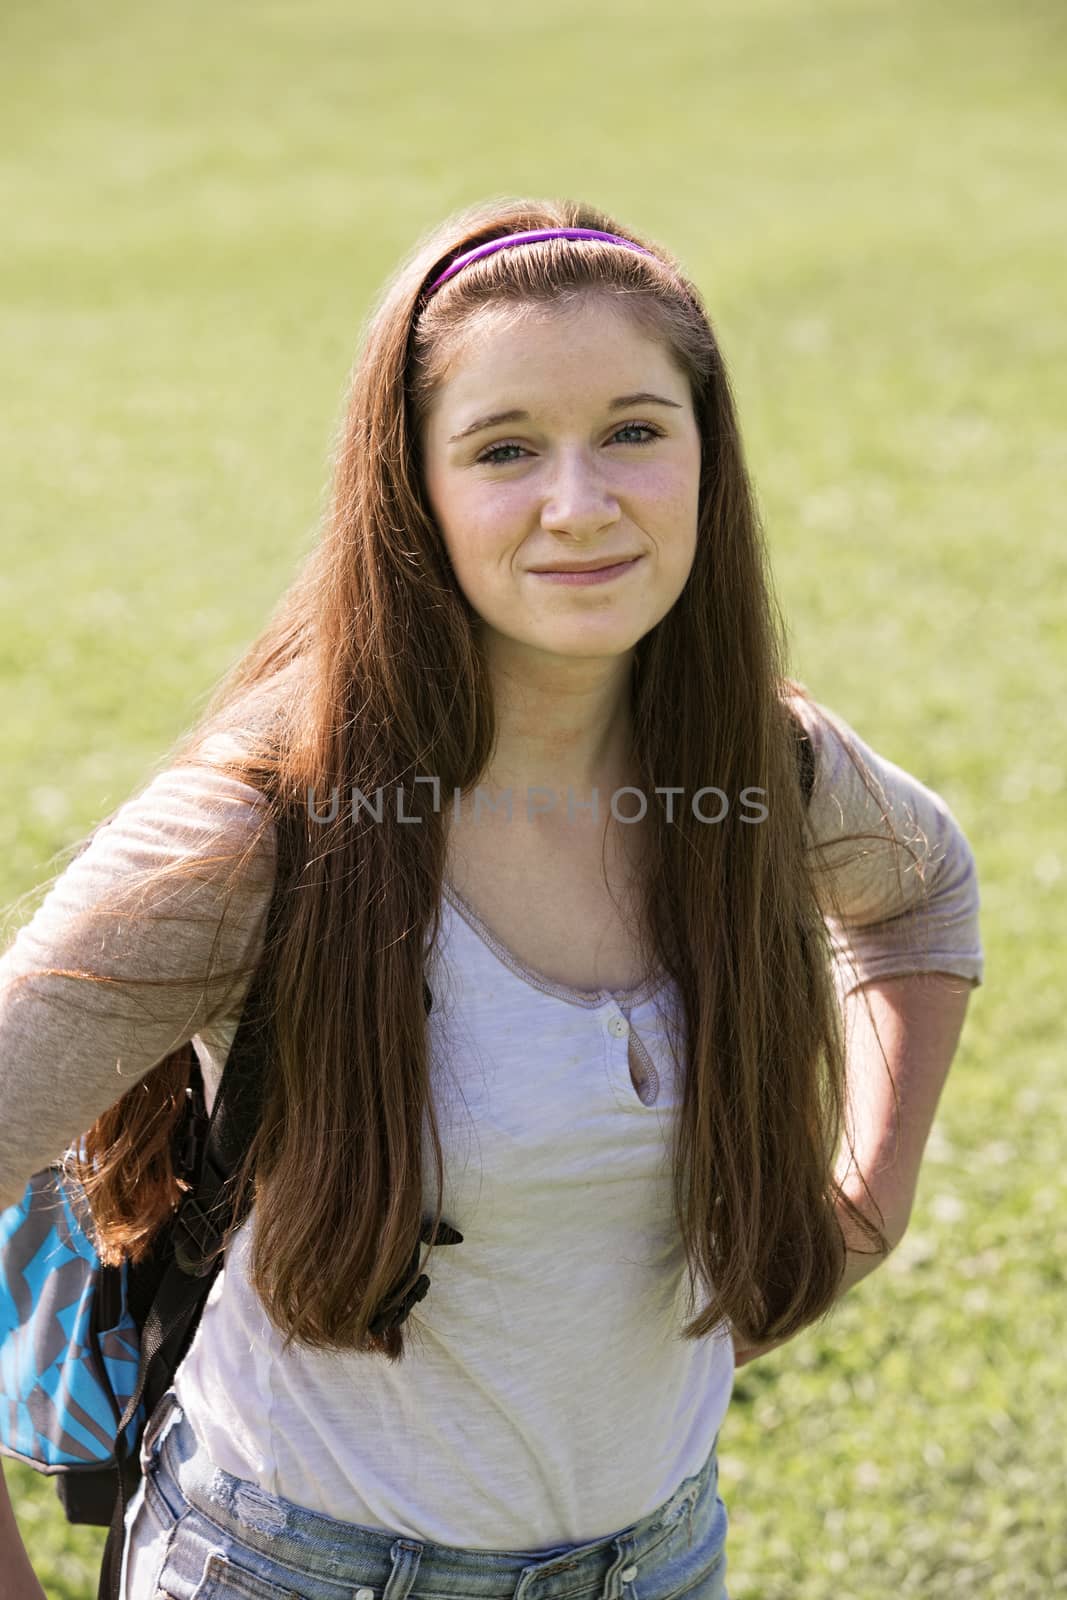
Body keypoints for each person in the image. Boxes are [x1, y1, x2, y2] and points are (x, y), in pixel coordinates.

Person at [0, 197, 984, 1600]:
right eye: (505, 449)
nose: (580, 505)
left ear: (709, 454)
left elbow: (924, 890)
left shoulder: (764, 773)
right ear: (413, 488)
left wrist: (866, 1209)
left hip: (661, 1559)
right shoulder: (260, 832)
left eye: (636, 430)